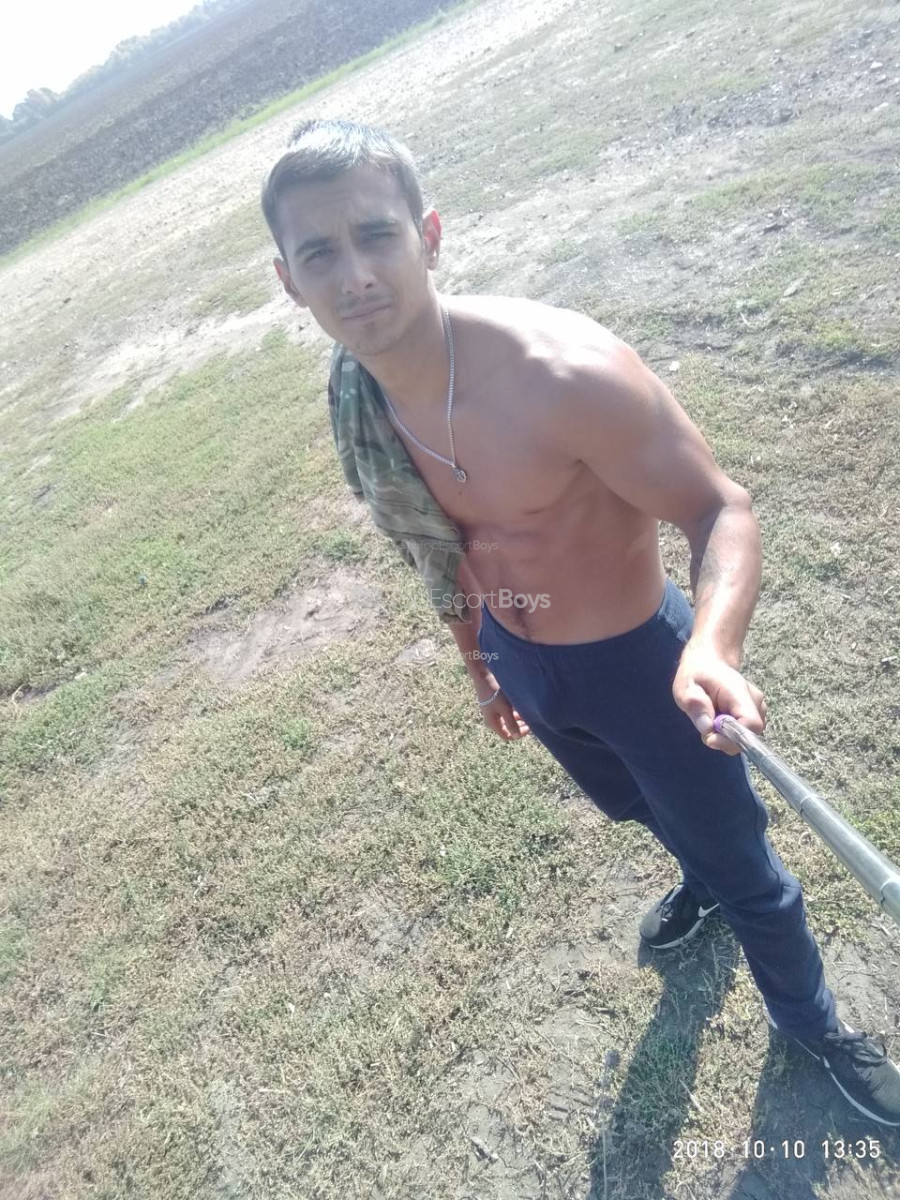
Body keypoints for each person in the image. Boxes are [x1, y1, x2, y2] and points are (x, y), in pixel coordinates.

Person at [260, 117, 900, 1125]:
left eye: (376, 235)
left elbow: (719, 508)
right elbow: (439, 548)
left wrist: (712, 645)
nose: (356, 276)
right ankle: (695, 880)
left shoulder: (563, 374)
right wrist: (482, 666)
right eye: (319, 254)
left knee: (749, 871)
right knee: (638, 807)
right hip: (525, 662)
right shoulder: (359, 395)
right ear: (289, 281)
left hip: (646, 667)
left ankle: (813, 1027)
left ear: (429, 235)